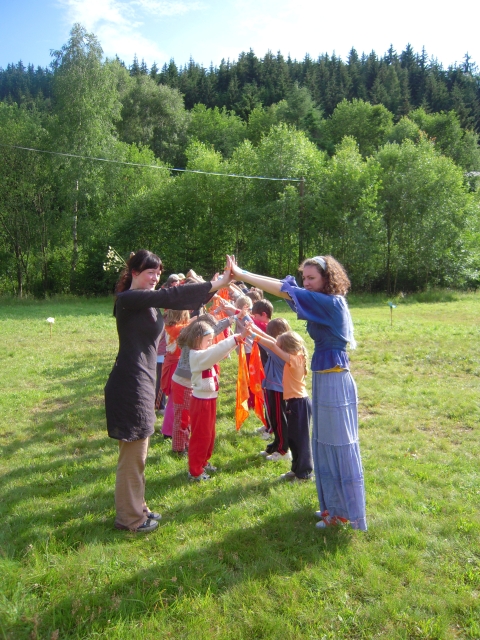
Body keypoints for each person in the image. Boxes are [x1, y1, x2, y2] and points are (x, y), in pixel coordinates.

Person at [228, 255, 367, 531]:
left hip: (335, 379)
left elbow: (283, 289)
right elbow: (286, 287)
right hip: (327, 377)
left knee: (337, 445)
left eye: (312, 278)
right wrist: (241, 275)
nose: (306, 283)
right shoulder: (323, 300)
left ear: (327, 279)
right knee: (324, 445)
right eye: (304, 278)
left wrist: (241, 273)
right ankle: (333, 508)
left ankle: (344, 513)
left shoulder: (329, 302)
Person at [104, 250, 233, 532]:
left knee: (139, 452)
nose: (155, 278)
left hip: (140, 380)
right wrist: (219, 283)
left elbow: (178, 299)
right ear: (134, 272)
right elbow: (172, 296)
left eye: (158, 272)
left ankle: (138, 508)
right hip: (129, 384)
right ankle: (129, 519)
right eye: (149, 272)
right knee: (132, 455)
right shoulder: (129, 299)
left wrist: (213, 289)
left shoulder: (143, 300)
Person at [187, 320, 250, 481]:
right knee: (201, 436)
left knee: (209, 434)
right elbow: (216, 351)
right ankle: (195, 471)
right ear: (197, 339)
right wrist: (236, 338)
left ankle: (203, 462)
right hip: (201, 402)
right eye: (208, 340)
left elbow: (219, 352)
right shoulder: (197, 356)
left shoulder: (204, 353)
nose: (211, 343)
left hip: (209, 400)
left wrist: (238, 340)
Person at [251, 328, 313, 480]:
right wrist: (252, 328)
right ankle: (296, 470)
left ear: (286, 348)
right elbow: (273, 342)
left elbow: (272, 346)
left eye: (280, 346)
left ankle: (304, 474)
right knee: (293, 439)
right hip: (294, 403)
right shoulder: (295, 355)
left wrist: (252, 335)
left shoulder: (294, 359)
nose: (277, 347)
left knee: (301, 442)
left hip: (299, 404)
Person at [170, 313, 234, 455]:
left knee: (187, 416)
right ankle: (179, 448)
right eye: (208, 339)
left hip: (187, 384)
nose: (210, 341)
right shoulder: (192, 343)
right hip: (182, 384)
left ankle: (184, 444)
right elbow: (215, 329)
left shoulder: (193, 338)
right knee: (182, 417)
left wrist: (231, 319)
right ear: (200, 334)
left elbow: (213, 331)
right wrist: (230, 320)